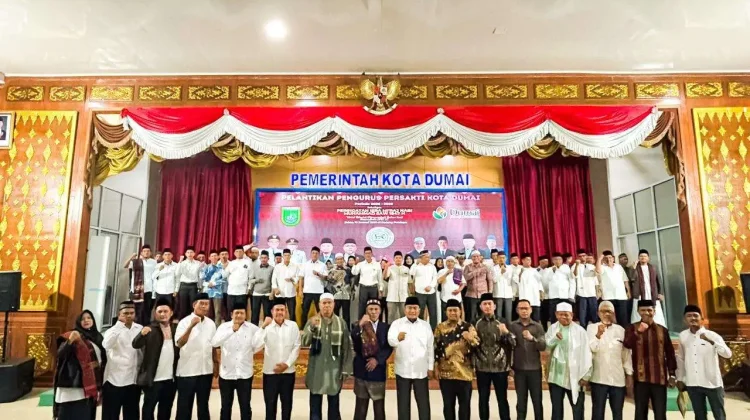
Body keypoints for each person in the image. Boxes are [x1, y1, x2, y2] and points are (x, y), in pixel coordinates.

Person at [301, 293, 353, 420]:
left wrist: (346, 369)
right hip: (316, 369)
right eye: (324, 303)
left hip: (334, 369)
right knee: (315, 405)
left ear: (334, 305)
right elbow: (304, 342)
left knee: (334, 405)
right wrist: (312, 328)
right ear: (319, 305)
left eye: (329, 303)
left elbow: (346, 348)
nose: (327, 306)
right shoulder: (312, 321)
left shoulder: (341, 323)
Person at [623, 300, 677, 420]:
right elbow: (627, 344)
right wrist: (638, 332)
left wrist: (672, 374)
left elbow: (670, 353)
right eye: (643, 310)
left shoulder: (662, 330)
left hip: (659, 379)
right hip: (640, 379)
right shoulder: (632, 328)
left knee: (660, 414)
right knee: (640, 413)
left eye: (649, 310)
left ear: (654, 311)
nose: (646, 313)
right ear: (638, 311)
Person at [677, 304, 732, 420]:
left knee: (719, 415)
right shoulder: (683, 336)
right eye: (689, 316)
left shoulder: (712, 335)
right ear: (684, 319)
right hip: (693, 383)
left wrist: (712, 342)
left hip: (712, 382)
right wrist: (680, 378)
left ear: (702, 318)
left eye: (695, 315)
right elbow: (681, 359)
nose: (692, 318)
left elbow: (728, 354)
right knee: (699, 415)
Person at [211, 307, 263, 420]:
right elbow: (214, 343)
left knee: (245, 406)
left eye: (241, 313)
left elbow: (260, 343)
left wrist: (251, 352)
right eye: (236, 313)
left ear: (246, 315)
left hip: (245, 374)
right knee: (225, 407)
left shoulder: (253, 328)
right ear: (231, 314)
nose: (239, 315)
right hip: (226, 374)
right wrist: (231, 331)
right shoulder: (224, 327)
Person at [53, 310, 106, 420]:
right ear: (78, 322)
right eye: (83, 319)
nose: (86, 320)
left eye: (89, 318)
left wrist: (96, 364)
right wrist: (70, 340)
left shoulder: (98, 337)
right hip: (73, 383)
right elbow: (60, 354)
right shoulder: (71, 335)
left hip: (91, 383)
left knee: (86, 415)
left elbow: (103, 357)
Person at [388, 296, 434, 420]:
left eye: (415, 308)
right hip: (403, 370)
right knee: (403, 404)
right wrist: (397, 338)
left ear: (419, 310)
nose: (412, 311)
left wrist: (430, 367)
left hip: (421, 370)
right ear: (405, 309)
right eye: (409, 308)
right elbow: (390, 340)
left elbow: (430, 348)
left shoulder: (425, 326)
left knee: (423, 404)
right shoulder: (397, 324)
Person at [133, 298, 179, 420]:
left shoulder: (176, 329)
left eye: (165, 311)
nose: (163, 314)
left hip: (170, 379)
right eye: (160, 312)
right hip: (153, 379)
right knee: (148, 409)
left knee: (166, 409)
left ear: (171, 313)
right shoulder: (150, 329)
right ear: (155, 313)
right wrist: (141, 334)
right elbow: (135, 344)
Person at [545, 302, 591, 420]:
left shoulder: (580, 331)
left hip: (575, 375)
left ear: (572, 315)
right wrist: (555, 338)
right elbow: (547, 347)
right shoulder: (552, 328)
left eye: (567, 315)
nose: (564, 317)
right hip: (556, 376)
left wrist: (586, 375)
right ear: (556, 314)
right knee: (556, 410)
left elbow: (587, 353)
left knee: (578, 409)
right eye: (561, 314)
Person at [434, 299, 479, 420]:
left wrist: (470, 338)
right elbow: (436, 348)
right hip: (446, 374)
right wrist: (436, 367)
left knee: (465, 406)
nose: (453, 313)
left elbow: (477, 345)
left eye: (455, 310)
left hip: (464, 374)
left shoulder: (468, 327)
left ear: (460, 311)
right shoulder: (440, 327)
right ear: (446, 312)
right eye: (450, 310)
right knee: (448, 406)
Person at [174, 293, 217, 420]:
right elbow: (179, 343)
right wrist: (191, 326)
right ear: (194, 305)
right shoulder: (184, 322)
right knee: (184, 407)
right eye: (201, 304)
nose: (204, 306)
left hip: (205, 370)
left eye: (206, 304)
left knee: (203, 405)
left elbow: (213, 345)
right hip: (187, 371)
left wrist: (215, 363)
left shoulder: (211, 323)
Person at [587, 301, 632, 420]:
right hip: (599, 378)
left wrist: (629, 375)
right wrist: (598, 335)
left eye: (609, 311)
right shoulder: (592, 328)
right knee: (597, 413)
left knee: (617, 413)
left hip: (617, 379)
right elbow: (592, 348)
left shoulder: (621, 330)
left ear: (614, 313)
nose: (606, 314)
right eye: (603, 311)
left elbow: (626, 354)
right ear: (598, 313)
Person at [257, 299, 301, 420]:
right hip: (270, 373)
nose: (280, 312)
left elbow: (296, 347)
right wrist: (263, 327)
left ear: (286, 311)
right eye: (277, 310)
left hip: (288, 372)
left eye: (282, 309)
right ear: (272, 311)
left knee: (287, 405)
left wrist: (286, 364)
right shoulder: (266, 327)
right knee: (270, 406)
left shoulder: (293, 326)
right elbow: (255, 346)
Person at [474, 293, 515, 420]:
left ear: (495, 306)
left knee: (502, 399)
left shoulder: (503, 321)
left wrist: (506, 333)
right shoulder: (475, 322)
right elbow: (472, 346)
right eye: (485, 304)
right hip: (482, 367)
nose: (487, 306)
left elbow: (514, 343)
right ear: (481, 306)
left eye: (489, 304)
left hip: (501, 367)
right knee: (483, 399)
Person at [351, 299, 393, 420]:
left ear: (380, 311)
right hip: (362, 370)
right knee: (360, 408)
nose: (373, 312)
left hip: (378, 371)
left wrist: (377, 360)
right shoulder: (358, 325)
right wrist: (360, 325)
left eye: (376, 309)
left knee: (379, 408)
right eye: (370, 309)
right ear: (366, 311)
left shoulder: (386, 327)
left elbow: (388, 347)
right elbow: (354, 339)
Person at [102, 301, 143, 420]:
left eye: (131, 313)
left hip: (133, 380)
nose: (129, 316)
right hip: (114, 380)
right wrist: (119, 326)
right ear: (119, 314)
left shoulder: (139, 328)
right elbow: (106, 345)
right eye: (125, 313)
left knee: (132, 415)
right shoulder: (112, 331)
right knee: (111, 415)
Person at [509, 299, 546, 420]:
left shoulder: (538, 326)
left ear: (531, 310)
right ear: (517, 310)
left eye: (526, 308)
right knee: (521, 401)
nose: (524, 311)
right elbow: (509, 345)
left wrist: (532, 339)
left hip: (535, 369)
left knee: (537, 401)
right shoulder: (512, 326)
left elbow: (543, 346)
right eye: (521, 308)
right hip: (519, 369)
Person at [631, 249, 667, 327]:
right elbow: (632, 279)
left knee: (656, 313)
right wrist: (633, 268)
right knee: (638, 313)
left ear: (648, 258)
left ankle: (658, 328)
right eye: (641, 256)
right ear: (638, 258)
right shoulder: (635, 268)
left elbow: (659, 281)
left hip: (653, 294)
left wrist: (660, 293)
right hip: (639, 295)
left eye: (645, 256)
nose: (643, 258)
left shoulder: (653, 267)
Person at [596, 250, 631, 327]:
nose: (608, 259)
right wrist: (599, 259)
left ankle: (623, 333)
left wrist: (628, 291)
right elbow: (597, 270)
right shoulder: (603, 267)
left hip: (621, 296)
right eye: (606, 258)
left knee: (623, 318)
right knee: (609, 318)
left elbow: (625, 280)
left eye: (610, 257)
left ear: (613, 258)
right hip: (608, 296)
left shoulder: (618, 267)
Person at [125, 244, 158, 325]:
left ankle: (145, 326)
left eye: (148, 251)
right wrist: (131, 257)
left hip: (149, 289)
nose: (146, 252)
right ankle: (136, 326)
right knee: (137, 309)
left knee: (147, 310)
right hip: (137, 289)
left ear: (150, 253)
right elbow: (125, 266)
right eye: (144, 251)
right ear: (142, 253)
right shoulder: (136, 261)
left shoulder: (154, 262)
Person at [300, 246, 329, 327]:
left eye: (316, 253)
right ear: (310, 254)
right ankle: (303, 328)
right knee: (305, 311)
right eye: (313, 253)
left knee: (320, 311)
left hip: (319, 291)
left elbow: (326, 277)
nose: (314, 254)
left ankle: (322, 328)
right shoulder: (305, 264)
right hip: (307, 291)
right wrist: (300, 290)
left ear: (319, 254)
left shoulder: (322, 265)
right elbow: (301, 277)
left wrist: (318, 274)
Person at [410, 250, 439, 330]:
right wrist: (415, 263)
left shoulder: (432, 267)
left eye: (429, 257)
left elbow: (435, 278)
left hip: (431, 292)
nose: (428, 259)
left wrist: (431, 286)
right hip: (420, 293)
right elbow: (411, 273)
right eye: (426, 257)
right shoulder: (416, 266)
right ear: (421, 257)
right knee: (420, 312)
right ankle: (420, 329)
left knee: (433, 312)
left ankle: (433, 330)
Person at [462, 250, 493, 323]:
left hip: (483, 294)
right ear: (471, 258)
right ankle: (471, 329)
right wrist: (475, 272)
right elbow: (465, 278)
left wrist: (490, 292)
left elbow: (490, 280)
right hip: (471, 294)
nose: (476, 258)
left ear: (480, 257)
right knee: (471, 316)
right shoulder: (467, 267)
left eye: (477, 256)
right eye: (474, 256)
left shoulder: (485, 267)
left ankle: (483, 328)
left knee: (483, 315)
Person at [352, 246, 383, 319]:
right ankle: (361, 324)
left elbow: (380, 278)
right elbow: (354, 272)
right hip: (363, 288)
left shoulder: (377, 264)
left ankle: (373, 323)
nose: (368, 255)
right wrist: (355, 264)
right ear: (364, 254)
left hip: (373, 288)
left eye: (369, 253)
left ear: (372, 254)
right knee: (362, 307)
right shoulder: (361, 264)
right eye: (366, 253)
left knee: (373, 307)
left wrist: (381, 289)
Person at [175, 245, 205, 319]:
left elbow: (200, 276)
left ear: (194, 253)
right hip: (183, 286)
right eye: (188, 252)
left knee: (193, 305)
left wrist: (200, 287)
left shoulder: (198, 263)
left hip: (193, 286)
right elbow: (177, 274)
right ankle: (182, 322)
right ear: (185, 254)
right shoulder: (182, 263)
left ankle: (194, 322)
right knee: (183, 306)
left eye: (191, 252)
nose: (189, 254)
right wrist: (179, 262)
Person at [545, 252, 574, 328]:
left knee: (566, 315)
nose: (557, 261)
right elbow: (546, 282)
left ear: (562, 260)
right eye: (555, 259)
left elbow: (572, 281)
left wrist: (571, 295)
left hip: (565, 296)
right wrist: (553, 272)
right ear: (552, 260)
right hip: (553, 296)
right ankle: (554, 331)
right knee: (554, 316)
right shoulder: (549, 270)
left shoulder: (566, 268)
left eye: (559, 259)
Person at [271, 248, 299, 323]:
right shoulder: (278, 267)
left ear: (290, 256)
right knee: (279, 313)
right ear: (283, 256)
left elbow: (297, 278)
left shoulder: (295, 266)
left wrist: (292, 279)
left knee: (292, 313)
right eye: (285, 255)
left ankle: (293, 327)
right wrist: (275, 289)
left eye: (288, 255)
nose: (287, 257)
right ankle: (278, 326)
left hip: (291, 293)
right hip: (280, 294)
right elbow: (273, 279)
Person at [223, 245, 253, 314]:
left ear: (243, 252)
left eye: (240, 251)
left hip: (242, 291)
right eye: (237, 251)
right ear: (234, 253)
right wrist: (224, 267)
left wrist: (249, 288)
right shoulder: (231, 263)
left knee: (241, 311)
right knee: (230, 311)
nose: (238, 253)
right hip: (231, 291)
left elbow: (251, 277)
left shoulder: (248, 262)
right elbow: (224, 275)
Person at [573, 251, 599, 328]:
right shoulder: (575, 266)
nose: (582, 257)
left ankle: (596, 330)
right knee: (583, 315)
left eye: (584, 256)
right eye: (580, 256)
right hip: (581, 294)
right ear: (577, 257)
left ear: (586, 256)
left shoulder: (591, 266)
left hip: (592, 293)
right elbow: (574, 275)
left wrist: (597, 291)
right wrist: (577, 265)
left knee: (594, 314)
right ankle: (583, 330)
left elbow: (595, 280)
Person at [517, 253, 544, 322]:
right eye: (527, 260)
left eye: (530, 260)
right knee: (525, 318)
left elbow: (539, 282)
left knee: (536, 318)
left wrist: (541, 291)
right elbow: (517, 280)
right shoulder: (519, 270)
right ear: (523, 260)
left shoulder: (535, 270)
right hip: (525, 297)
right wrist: (520, 273)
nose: (529, 261)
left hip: (535, 298)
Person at [249, 250, 274, 325]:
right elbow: (250, 280)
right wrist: (257, 280)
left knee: (267, 313)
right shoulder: (255, 268)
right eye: (262, 258)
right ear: (260, 258)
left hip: (267, 294)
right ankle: (254, 328)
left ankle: (267, 329)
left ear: (268, 259)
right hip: (256, 293)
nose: (263, 259)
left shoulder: (272, 268)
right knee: (255, 313)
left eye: (265, 258)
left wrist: (272, 293)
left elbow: (273, 282)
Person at [384, 250, 410, 323]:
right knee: (391, 317)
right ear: (394, 259)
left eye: (400, 258)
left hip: (404, 297)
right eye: (396, 258)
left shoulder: (406, 269)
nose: (398, 259)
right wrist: (386, 267)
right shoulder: (390, 268)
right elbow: (385, 277)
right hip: (392, 297)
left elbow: (410, 282)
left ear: (402, 259)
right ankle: (390, 329)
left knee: (404, 317)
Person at [437, 256, 466, 321]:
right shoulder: (441, 271)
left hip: (457, 298)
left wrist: (459, 290)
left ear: (454, 263)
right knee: (445, 319)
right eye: (448, 261)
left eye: (451, 261)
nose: (450, 263)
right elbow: (439, 281)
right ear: (446, 262)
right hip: (445, 299)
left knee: (457, 318)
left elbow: (464, 283)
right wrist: (447, 273)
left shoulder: (458, 271)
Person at [327, 253, 352, 327]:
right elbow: (329, 282)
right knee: (335, 314)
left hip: (346, 295)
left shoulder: (348, 269)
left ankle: (347, 330)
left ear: (343, 260)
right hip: (335, 295)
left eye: (341, 259)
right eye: (338, 259)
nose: (339, 261)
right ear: (335, 260)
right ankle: (335, 328)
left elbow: (351, 281)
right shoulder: (332, 270)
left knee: (346, 314)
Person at [201, 250, 225, 326]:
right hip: (207, 291)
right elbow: (201, 278)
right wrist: (207, 284)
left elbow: (224, 279)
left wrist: (214, 283)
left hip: (217, 292)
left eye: (215, 256)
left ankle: (217, 327)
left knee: (218, 311)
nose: (214, 257)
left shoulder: (222, 267)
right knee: (206, 311)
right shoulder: (206, 267)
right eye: (212, 256)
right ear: (209, 258)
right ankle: (206, 326)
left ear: (218, 257)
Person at [491, 250, 514, 322]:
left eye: (503, 258)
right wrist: (500, 272)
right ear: (497, 258)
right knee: (498, 314)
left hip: (508, 294)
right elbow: (494, 280)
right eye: (500, 258)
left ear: (506, 259)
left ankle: (509, 327)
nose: (502, 259)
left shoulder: (510, 268)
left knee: (508, 314)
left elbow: (510, 280)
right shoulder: (494, 268)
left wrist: (504, 271)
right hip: (498, 294)